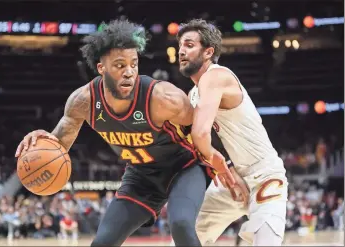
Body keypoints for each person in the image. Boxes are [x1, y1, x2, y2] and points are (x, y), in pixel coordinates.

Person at [15, 19, 234, 246]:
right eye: (120, 65)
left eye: (134, 64)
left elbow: (204, 126)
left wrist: (227, 163)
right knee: (102, 242)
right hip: (141, 176)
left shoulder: (163, 98)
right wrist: (42, 139)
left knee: (181, 225)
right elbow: (58, 144)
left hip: (183, 168)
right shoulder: (83, 101)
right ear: (101, 68)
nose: (129, 72)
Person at [176, 19, 288, 246]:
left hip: (265, 174)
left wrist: (219, 165)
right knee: (185, 239)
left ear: (208, 52)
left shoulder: (217, 76)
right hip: (232, 177)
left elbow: (200, 135)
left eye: (189, 45)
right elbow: (191, 141)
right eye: (180, 46)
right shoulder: (193, 95)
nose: (181, 51)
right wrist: (225, 164)